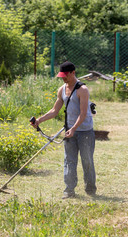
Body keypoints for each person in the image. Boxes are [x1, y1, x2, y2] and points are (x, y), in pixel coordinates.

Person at [31, 61, 97, 199]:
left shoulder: (82, 90)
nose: (63, 78)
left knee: (87, 160)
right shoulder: (62, 89)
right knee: (69, 161)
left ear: (73, 73)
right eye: (62, 76)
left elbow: (83, 113)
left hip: (84, 131)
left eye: (65, 76)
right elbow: (55, 111)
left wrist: (74, 128)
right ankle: (69, 190)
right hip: (69, 131)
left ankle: (90, 189)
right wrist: (39, 120)